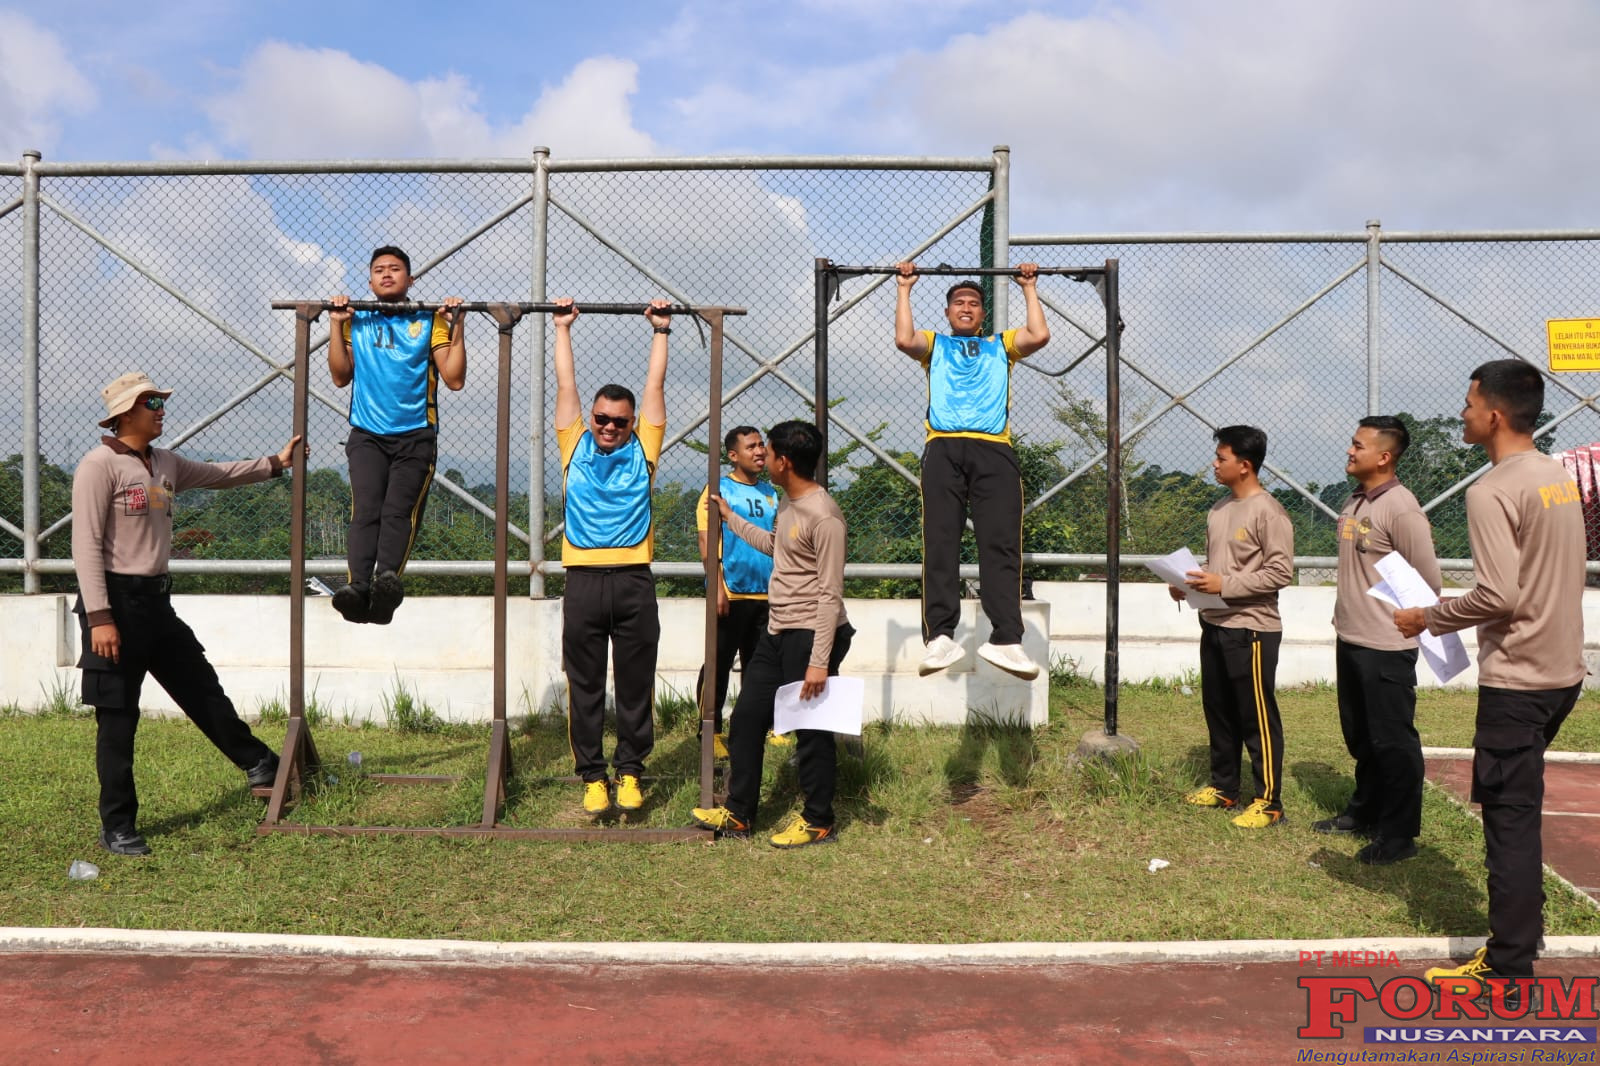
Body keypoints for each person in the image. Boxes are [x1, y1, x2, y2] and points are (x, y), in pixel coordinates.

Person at [1396, 360, 1584, 998]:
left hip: (1519, 680)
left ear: (1495, 415)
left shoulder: (1492, 489)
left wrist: (1428, 617)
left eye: (1470, 402)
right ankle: (1522, 936)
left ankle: (1509, 964)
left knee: (1510, 821)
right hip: (1562, 672)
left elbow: (1499, 595)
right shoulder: (1556, 476)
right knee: (1518, 811)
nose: (1462, 412)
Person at [71, 372, 301, 856]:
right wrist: (100, 618)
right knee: (118, 719)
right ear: (125, 413)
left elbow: (218, 474)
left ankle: (258, 762)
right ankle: (118, 825)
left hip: (156, 603)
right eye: (152, 403)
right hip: (114, 604)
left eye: (161, 401)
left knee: (200, 686)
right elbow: (85, 546)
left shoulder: (166, 462)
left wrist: (275, 464)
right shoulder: (98, 466)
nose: (161, 410)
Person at [692, 420, 855, 848]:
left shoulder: (824, 516)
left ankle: (819, 820)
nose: (763, 455)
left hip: (811, 633)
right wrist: (730, 518)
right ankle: (740, 813)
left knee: (811, 729)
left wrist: (818, 661)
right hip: (777, 628)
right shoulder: (787, 502)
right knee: (747, 718)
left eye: (769, 450)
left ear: (785, 462)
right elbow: (774, 545)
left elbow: (830, 594)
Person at [895, 262, 1050, 680]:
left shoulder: (1001, 345)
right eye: (959, 303)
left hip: (994, 449)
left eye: (974, 303)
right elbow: (904, 339)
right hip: (943, 448)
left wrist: (1028, 287)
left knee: (1001, 544)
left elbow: (1039, 335)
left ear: (983, 314)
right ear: (948, 312)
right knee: (940, 542)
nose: (966, 308)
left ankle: (1007, 638)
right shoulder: (936, 344)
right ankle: (940, 636)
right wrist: (904, 288)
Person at [553, 296, 672, 815]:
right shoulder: (573, 446)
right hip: (582, 581)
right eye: (601, 418)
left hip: (633, 580)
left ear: (631, 424)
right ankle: (592, 777)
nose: (608, 426)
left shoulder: (644, 449)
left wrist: (661, 331)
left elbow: (654, 388)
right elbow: (566, 386)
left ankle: (630, 771)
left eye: (619, 422)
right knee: (584, 684)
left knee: (635, 682)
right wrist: (562, 328)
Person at [1318, 416, 1440, 865]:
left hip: (1386, 645)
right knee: (1361, 736)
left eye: (1358, 445)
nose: (1350, 451)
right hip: (1351, 636)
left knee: (1393, 741)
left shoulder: (1401, 508)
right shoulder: (1355, 500)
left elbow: (1428, 581)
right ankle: (1365, 811)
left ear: (1385, 457)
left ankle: (1399, 835)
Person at [326, 246, 466, 624]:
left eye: (395, 269)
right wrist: (335, 325)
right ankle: (357, 587)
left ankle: (387, 583)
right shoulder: (357, 319)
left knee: (397, 512)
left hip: (415, 434)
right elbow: (340, 376)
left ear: (410, 279)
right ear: (370, 281)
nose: (386, 274)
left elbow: (454, 379)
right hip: (367, 433)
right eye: (379, 270)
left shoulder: (428, 319)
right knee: (366, 510)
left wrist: (458, 326)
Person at [1172, 425, 1294, 829]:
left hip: (1252, 629)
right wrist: (1189, 583)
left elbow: (1280, 572)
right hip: (1214, 623)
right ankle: (1224, 788)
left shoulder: (1269, 512)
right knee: (1219, 710)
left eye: (1221, 458)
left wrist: (1224, 584)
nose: (1214, 464)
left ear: (1245, 465)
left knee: (1255, 716)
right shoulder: (1219, 509)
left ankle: (1269, 801)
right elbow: (1218, 566)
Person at [695, 426, 781, 759]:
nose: (760, 451)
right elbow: (706, 541)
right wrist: (716, 586)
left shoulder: (771, 493)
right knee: (718, 663)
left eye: (761, 445)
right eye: (751, 447)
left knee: (760, 668)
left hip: (766, 593)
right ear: (733, 455)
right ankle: (710, 730)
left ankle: (758, 727)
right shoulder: (718, 490)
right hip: (731, 592)